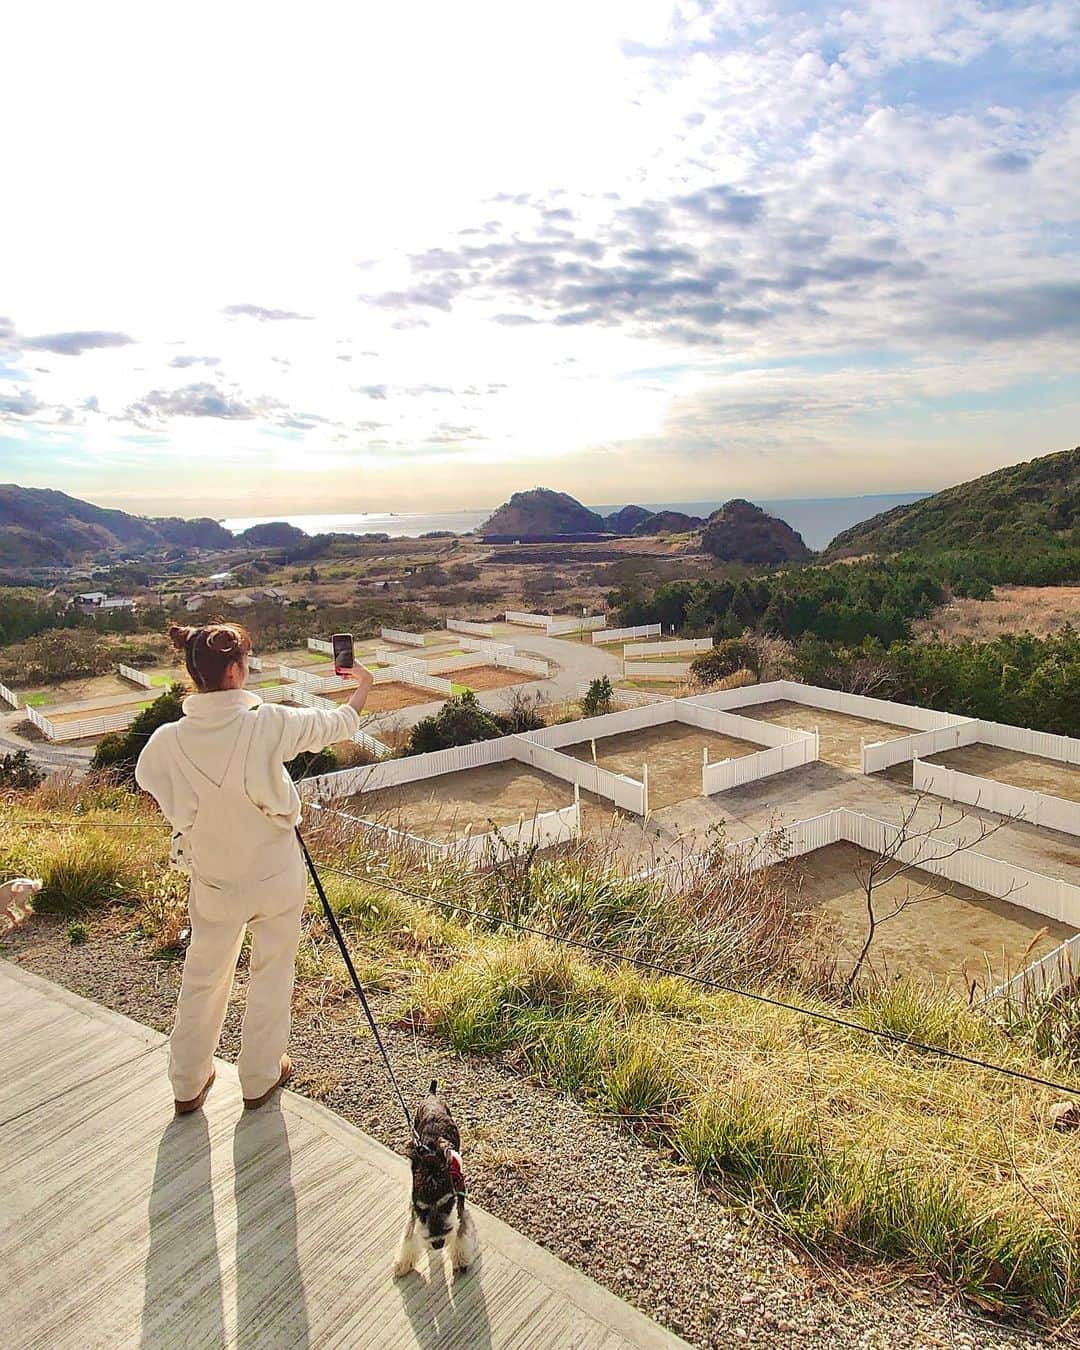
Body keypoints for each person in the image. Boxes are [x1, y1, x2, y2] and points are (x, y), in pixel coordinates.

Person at [135, 622, 373, 1114]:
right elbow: (338, 724)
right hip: (275, 872)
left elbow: (148, 778)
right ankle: (260, 1077)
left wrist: (191, 820)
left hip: (214, 876)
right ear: (235, 670)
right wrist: (363, 686)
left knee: (204, 974)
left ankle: (187, 1082)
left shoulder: (166, 741)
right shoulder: (267, 723)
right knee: (272, 970)